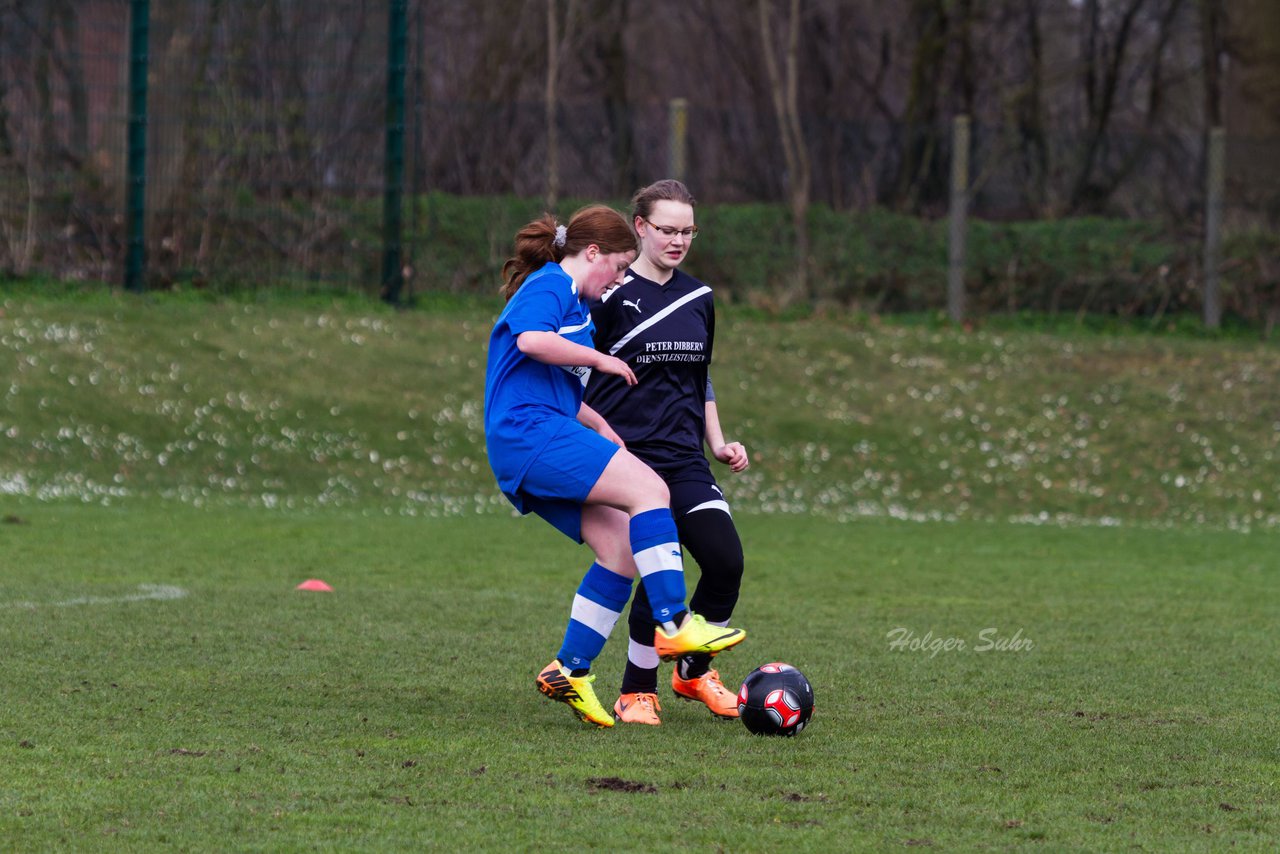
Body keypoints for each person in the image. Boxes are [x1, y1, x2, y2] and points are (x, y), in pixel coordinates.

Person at [483, 204, 747, 728]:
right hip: (528, 434)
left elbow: (548, 379)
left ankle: (570, 669)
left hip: (537, 432)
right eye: (620, 267)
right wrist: (602, 360)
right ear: (593, 253)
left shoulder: (576, 308)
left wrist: (599, 424)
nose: (622, 279)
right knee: (651, 490)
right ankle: (673, 623)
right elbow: (530, 343)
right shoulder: (551, 283)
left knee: (622, 549)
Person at [584, 180, 750, 726]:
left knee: (725, 562)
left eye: (688, 231)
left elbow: (700, 378)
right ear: (640, 228)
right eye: (667, 230)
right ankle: (636, 691)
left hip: (684, 457)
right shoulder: (607, 296)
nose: (678, 240)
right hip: (628, 459)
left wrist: (718, 440)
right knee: (660, 571)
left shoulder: (699, 299)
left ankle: (692, 671)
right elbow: (577, 372)